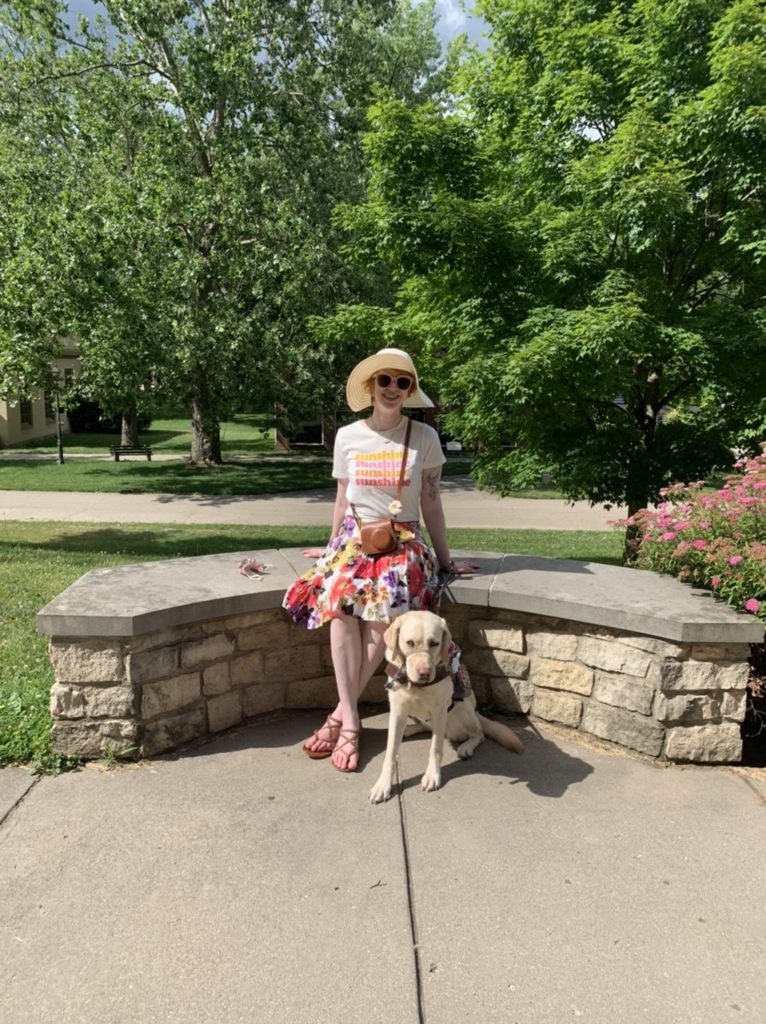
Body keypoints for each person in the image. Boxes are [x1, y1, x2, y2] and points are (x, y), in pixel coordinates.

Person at [282, 347, 475, 773]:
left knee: (379, 617)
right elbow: (340, 499)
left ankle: (339, 720)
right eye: (384, 380)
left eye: (402, 382)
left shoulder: (423, 437)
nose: (392, 389)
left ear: (410, 390)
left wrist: (445, 561)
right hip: (356, 538)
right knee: (339, 608)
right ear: (371, 386)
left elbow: (431, 501)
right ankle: (349, 718)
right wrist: (332, 545)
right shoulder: (348, 436)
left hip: (403, 539)